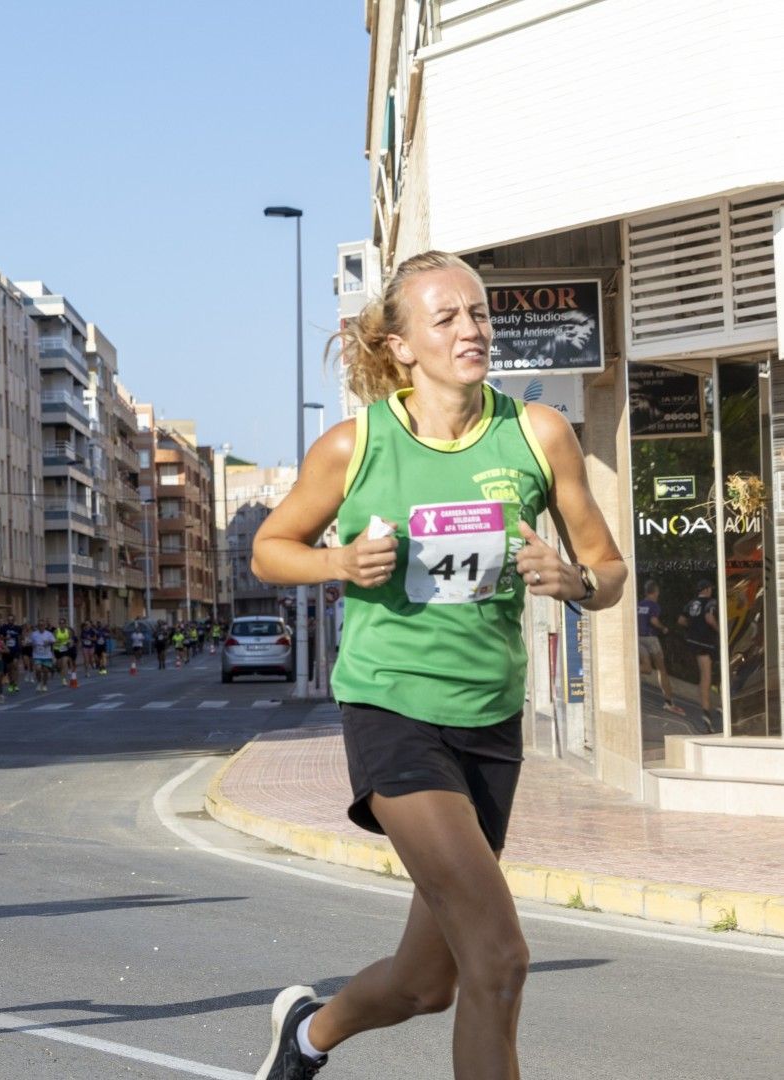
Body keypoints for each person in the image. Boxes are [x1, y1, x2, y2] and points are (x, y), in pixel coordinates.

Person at [249, 250, 625, 1079]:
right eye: (446, 317)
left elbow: (607, 567)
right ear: (401, 344)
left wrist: (572, 581)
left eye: (479, 313)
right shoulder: (353, 447)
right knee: (499, 957)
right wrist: (336, 566)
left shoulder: (534, 432)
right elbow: (269, 550)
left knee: (427, 985)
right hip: (393, 714)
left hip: (490, 720)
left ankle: (307, 1035)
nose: (471, 330)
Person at [636, 580, 685, 718]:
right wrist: (663, 628)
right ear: (655, 592)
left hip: (638, 638)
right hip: (651, 639)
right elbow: (653, 620)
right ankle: (669, 703)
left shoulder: (639, 604)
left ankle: (628, 668)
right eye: (658, 592)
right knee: (661, 669)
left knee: (646, 668)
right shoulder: (654, 605)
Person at [678, 580, 721, 733]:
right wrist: (720, 630)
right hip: (707, 643)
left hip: (694, 642)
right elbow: (710, 618)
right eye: (711, 589)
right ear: (708, 589)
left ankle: (713, 707)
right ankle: (707, 713)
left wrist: (694, 627)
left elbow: (681, 621)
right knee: (707, 676)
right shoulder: (711, 602)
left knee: (707, 675)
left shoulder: (690, 603)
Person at [29, 623, 55, 691]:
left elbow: (53, 641)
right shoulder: (34, 634)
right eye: (40, 625)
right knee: (38, 669)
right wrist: (32, 644)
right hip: (37, 655)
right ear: (38, 626)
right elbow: (30, 642)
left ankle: (44, 684)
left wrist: (48, 642)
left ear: (45, 626)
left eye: (42, 625)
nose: (41, 627)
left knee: (46, 671)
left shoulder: (49, 634)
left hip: (46, 655)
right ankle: (39, 682)